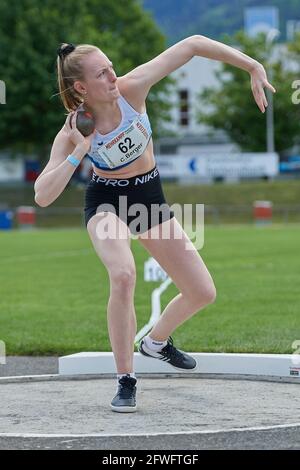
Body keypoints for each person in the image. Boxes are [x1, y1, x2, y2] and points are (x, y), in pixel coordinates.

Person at [34, 36, 275, 413]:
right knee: (124, 274)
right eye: (102, 73)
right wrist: (78, 151)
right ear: (81, 87)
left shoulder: (131, 89)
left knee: (202, 292)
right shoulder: (75, 129)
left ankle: (156, 343)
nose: (113, 76)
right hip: (107, 202)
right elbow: (42, 195)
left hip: (148, 199)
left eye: (111, 67)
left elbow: (193, 45)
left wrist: (252, 66)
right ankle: (125, 379)